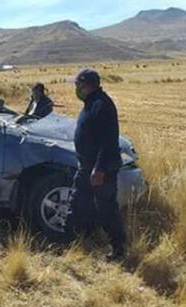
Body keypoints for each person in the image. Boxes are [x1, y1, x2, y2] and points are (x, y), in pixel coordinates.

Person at [65, 69, 126, 261]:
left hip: (101, 170)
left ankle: (119, 249)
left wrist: (99, 169)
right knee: (79, 205)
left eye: (77, 84)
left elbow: (108, 141)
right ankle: (77, 244)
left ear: (85, 85)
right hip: (88, 167)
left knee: (106, 210)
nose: (75, 88)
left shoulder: (101, 105)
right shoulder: (91, 103)